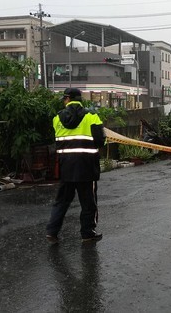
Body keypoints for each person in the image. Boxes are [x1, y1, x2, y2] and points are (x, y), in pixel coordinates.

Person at [46, 88, 106, 244]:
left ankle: (52, 232)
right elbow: (100, 140)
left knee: (62, 201)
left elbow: (57, 140)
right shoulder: (91, 116)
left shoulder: (57, 119)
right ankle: (87, 233)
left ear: (67, 99)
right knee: (88, 202)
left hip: (66, 166)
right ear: (80, 100)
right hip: (86, 166)